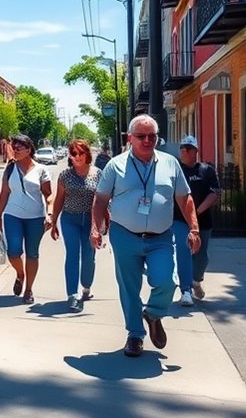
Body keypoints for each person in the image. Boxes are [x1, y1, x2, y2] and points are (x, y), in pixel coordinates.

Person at [91, 114, 201, 358]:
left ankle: (152, 313)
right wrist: (95, 228)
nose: (148, 140)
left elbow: (185, 197)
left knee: (166, 281)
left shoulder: (170, 163)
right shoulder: (115, 165)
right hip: (125, 235)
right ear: (130, 138)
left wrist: (194, 228)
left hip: (160, 237)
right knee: (129, 287)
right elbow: (100, 199)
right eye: (141, 136)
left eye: (153, 136)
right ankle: (135, 335)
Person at [0, 134, 53, 305]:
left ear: (28, 150)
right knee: (13, 252)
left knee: (32, 254)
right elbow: (4, 194)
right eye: (13, 147)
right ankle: (20, 274)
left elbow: (48, 195)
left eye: (19, 147)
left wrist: (49, 214)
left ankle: (28, 290)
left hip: (35, 217)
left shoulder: (41, 170)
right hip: (12, 216)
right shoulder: (9, 169)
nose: (15, 150)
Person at [48, 139, 101, 312]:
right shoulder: (65, 175)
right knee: (72, 254)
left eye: (80, 153)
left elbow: (103, 201)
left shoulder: (98, 173)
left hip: (90, 221)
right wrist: (54, 221)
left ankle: (86, 286)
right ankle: (72, 294)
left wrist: (102, 224)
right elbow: (59, 200)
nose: (77, 157)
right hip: (70, 218)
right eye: (73, 153)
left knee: (88, 255)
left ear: (87, 154)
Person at [172, 135, 221, 306]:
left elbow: (214, 192)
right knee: (183, 252)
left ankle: (196, 281)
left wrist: (196, 211)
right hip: (179, 219)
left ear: (196, 151)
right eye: (182, 149)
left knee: (201, 256)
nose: (183, 152)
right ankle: (185, 290)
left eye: (187, 149)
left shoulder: (206, 170)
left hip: (203, 220)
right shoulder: (177, 170)